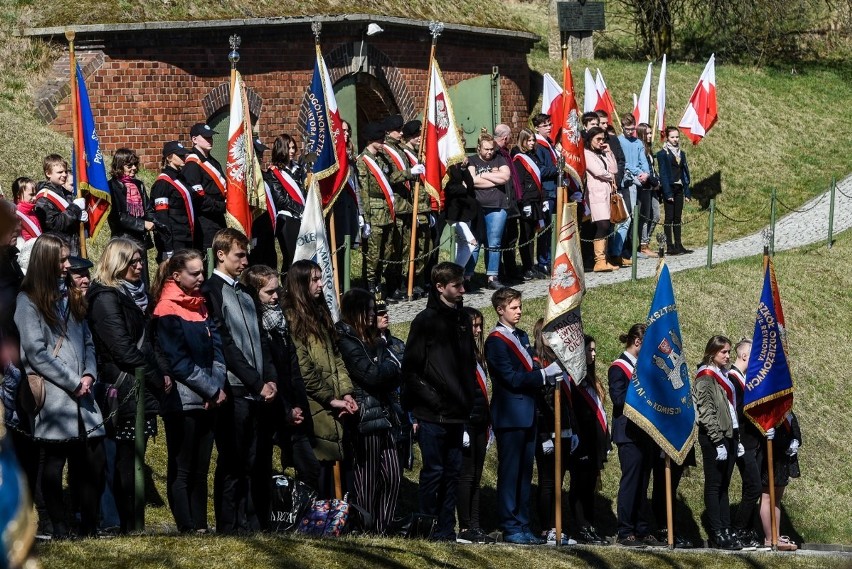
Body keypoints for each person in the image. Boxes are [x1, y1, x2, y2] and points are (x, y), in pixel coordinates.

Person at [15, 233, 106, 538]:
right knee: (54, 464)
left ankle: (90, 526)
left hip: (85, 393)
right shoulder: (27, 300)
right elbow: (35, 351)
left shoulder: (70, 294)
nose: (68, 265)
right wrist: (71, 381)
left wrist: (90, 374)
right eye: (63, 259)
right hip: (56, 395)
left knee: (93, 461)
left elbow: (88, 340)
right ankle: (60, 527)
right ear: (47, 261)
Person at [86, 237, 164, 533]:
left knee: (131, 456)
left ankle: (129, 519)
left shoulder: (133, 296)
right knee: (118, 458)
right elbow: (122, 347)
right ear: (118, 263)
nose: (140, 266)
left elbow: (148, 344)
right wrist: (156, 377)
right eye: (132, 261)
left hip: (137, 384)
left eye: (140, 260)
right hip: (120, 387)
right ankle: (118, 521)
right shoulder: (106, 298)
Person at [203, 228, 278, 533]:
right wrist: (253, 381)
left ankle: (251, 520)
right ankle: (228, 523)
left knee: (253, 459)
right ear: (220, 255)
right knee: (232, 460)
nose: (245, 260)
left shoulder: (246, 292)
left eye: (246, 254)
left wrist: (269, 378)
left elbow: (261, 338)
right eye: (239, 255)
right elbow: (226, 344)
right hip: (234, 387)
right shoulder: (212, 291)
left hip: (257, 390)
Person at [153, 249, 226, 533]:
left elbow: (217, 349)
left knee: (201, 468)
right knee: (183, 467)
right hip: (183, 401)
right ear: (176, 276)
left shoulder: (201, 305)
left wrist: (216, 387)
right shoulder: (166, 309)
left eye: (201, 271)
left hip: (209, 399)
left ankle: (201, 525)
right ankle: (186, 526)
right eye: (194, 273)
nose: (201, 277)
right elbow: (178, 361)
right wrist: (210, 390)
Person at [402, 261, 476, 541]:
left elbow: (468, 364)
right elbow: (410, 370)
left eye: (462, 284)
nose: (462, 290)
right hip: (433, 414)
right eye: (456, 286)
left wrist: (467, 399)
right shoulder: (425, 321)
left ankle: (447, 529)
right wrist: (433, 400)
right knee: (433, 473)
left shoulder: (463, 319)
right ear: (440, 287)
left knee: (452, 473)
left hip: (458, 413)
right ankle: (428, 528)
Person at [485, 287, 562, 545]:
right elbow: (510, 378)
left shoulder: (521, 336)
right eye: (514, 307)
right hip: (510, 414)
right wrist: (543, 375)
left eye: (519, 306)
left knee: (524, 474)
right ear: (500, 309)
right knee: (510, 473)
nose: (519, 311)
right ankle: (510, 525)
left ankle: (523, 523)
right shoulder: (495, 341)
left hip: (528, 413)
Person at [239, 264, 310, 525]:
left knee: (300, 464)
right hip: (266, 402)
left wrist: (295, 404)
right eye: (269, 293)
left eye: (277, 291)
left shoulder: (279, 321)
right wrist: (284, 406)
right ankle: (256, 519)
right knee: (256, 464)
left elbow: (291, 367)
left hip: (287, 402)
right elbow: (267, 367)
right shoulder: (258, 323)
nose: (276, 297)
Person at [283, 259, 358, 499]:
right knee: (318, 469)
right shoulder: (293, 318)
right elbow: (304, 368)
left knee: (336, 464)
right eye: (314, 280)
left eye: (321, 278)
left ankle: (336, 518)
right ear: (300, 284)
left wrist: (346, 393)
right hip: (314, 405)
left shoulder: (320, 313)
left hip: (334, 403)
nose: (321, 284)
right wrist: (330, 398)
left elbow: (337, 358)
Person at [336, 288, 402, 534]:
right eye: (371, 310)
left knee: (393, 474)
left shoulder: (372, 339)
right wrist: (386, 367)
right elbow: (371, 375)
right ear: (359, 311)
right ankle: (365, 528)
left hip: (383, 413)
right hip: (364, 415)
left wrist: (386, 368)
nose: (375, 315)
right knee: (367, 478)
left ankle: (383, 528)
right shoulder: (346, 339)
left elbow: (395, 369)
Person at [609, 323, 663, 547]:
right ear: (638, 342)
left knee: (643, 483)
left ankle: (642, 528)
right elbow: (618, 399)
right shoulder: (619, 367)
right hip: (628, 433)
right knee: (630, 482)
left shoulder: (645, 368)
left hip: (645, 433)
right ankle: (625, 530)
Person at [530, 317, 578, 545]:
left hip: (565, 430)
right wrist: (543, 435)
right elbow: (540, 404)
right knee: (548, 481)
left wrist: (573, 429)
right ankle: (547, 527)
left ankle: (557, 525)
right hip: (548, 432)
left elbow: (569, 401)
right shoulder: (536, 363)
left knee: (559, 482)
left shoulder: (561, 361)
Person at [693, 335, 742, 550]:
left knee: (724, 486)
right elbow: (706, 412)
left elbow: (729, 409)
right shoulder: (705, 376)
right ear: (712, 352)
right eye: (724, 352)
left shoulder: (724, 375)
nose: (728, 355)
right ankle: (717, 532)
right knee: (714, 485)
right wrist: (717, 441)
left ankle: (726, 528)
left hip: (729, 435)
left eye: (729, 351)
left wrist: (735, 438)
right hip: (714, 437)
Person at [456, 306, 494, 544]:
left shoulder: (478, 354)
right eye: (474, 326)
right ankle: (464, 526)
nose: (478, 331)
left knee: (477, 476)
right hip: (466, 421)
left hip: (480, 420)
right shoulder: (459, 354)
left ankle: (476, 525)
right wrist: (461, 426)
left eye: (480, 326)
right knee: (466, 476)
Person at [568, 335, 611, 546]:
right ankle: (580, 526)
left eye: (594, 350)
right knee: (580, 483)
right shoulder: (573, 380)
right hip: (580, 440)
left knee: (590, 484)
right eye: (589, 350)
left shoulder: (592, 379)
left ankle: (590, 524)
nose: (593, 354)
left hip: (594, 440)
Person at [383, 114, 427, 301]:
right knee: (393, 249)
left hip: (406, 205)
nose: (401, 133)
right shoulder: (385, 151)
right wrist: (410, 173)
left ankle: (404, 284)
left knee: (407, 248)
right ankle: (391, 287)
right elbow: (390, 177)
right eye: (398, 130)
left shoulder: (399, 149)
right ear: (388, 132)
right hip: (394, 206)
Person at [727, 338, 764, 549]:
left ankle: (748, 530)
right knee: (753, 487)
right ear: (744, 356)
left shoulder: (742, 378)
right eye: (754, 356)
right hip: (742, 441)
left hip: (753, 440)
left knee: (751, 486)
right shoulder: (732, 379)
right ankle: (738, 528)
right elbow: (737, 411)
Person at [358, 122, 401, 299]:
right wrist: (365, 219)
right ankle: (370, 287)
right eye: (379, 139)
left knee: (386, 252)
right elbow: (364, 191)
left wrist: (408, 173)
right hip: (374, 214)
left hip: (386, 212)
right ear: (370, 139)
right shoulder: (363, 161)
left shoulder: (381, 159)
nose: (382, 141)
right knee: (373, 254)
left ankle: (380, 284)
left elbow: (390, 178)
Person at [107, 148, 158, 286]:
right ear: (119, 167)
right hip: (123, 239)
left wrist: (154, 221)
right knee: (125, 277)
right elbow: (116, 216)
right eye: (129, 166)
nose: (134, 168)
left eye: (135, 164)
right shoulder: (111, 186)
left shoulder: (139, 185)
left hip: (140, 239)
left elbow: (148, 209)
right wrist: (142, 224)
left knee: (142, 279)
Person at [468, 132, 511, 290]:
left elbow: (505, 177)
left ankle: (492, 276)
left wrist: (484, 175)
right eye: (486, 149)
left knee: (494, 242)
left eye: (491, 149)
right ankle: (468, 275)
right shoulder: (472, 160)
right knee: (475, 242)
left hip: (497, 206)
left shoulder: (499, 159)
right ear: (479, 148)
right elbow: (473, 181)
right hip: (477, 207)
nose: (489, 152)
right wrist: (493, 177)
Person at [375, 300, 412, 471]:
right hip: (383, 411)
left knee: (400, 462)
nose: (385, 316)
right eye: (380, 314)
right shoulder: (367, 345)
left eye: (386, 312)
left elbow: (409, 378)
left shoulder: (397, 344)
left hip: (402, 410)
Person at [759, 412, 802, 551]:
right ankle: (769, 538)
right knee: (766, 497)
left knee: (777, 498)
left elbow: (795, 429)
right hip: (770, 457)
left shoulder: (788, 411)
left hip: (783, 459)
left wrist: (795, 440)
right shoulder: (769, 409)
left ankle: (776, 536)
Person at [182, 123, 227, 250]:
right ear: (194, 139)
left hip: (218, 219)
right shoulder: (192, 165)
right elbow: (198, 200)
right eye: (206, 137)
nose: (209, 140)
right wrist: (224, 206)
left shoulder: (214, 162)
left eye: (211, 137)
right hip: (204, 223)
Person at [266, 134, 306, 274]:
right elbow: (280, 200)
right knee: (291, 258)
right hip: (287, 219)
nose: (292, 151)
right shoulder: (273, 173)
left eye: (293, 147)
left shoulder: (300, 169)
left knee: (303, 258)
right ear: (280, 149)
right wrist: (301, 209)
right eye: (288, 148)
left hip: (303, 218)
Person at [34, 154, 86, 256]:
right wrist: (75, 208)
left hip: (73, 246)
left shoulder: (64, 191)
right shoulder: (44, 197)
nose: (64, 175)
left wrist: (80, 216)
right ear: (48, 173)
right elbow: (54, 224)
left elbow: (69, 216)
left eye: (65, 171)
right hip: (58, 250)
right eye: (60, 172)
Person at [511, 128, 546, 281]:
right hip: (527, 201)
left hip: (536, 200)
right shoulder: (519, 158)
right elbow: (520, 182)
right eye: (529, 140)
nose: (532, 143)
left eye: (533, 140)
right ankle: (526, 267)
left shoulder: (533, 156)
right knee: (525, 235)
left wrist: (543, 198)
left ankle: (531, 265)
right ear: (522, 141)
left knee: (532, 233)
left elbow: (540, 179)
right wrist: (524, 202)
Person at [150, 141, 193, 262]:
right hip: (175, 239)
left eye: (184, 154)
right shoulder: (162, 183)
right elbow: (162, 217)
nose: (183, 157)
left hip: (187, 236)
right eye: (179, 155)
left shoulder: (182, 177)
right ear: (169, 157)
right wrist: (167, 247)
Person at [583, 127, 618, 272]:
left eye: (603, 139)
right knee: (602, 225)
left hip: (606, 194)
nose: (601, 142)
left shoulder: (602, 153)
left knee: (607, 225)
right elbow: (598, 171)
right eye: (598, 139)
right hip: (595, 194)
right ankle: (599, 260)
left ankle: (604, 258)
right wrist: (611, 176)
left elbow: (614, 169)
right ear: (590, 139)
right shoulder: (587, 154)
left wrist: (609, 152)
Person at [531, 114, 560, 277]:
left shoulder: (549, 144)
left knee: (551, 228)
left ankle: (550, 259)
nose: (549, 127)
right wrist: (558, 169)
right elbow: (540, 170)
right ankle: (543, 261)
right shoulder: (539, 146)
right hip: (546, 192)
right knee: (545, 229)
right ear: (537, 128)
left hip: (555, 191)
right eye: (544, 125)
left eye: (549, 124)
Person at [656, 126, 693, 255]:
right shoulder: (662, 154)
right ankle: (670, 246)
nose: (675, 139)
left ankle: (679, 244)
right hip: (669, 188)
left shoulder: (681, 153)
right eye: (672, 137)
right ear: (667, 138)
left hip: (679, 187)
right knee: (669, 217)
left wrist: (687, 191)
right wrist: (667, 192)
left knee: (678, 217)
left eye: (677, 137)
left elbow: (684, 172)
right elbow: (663, 174)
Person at [494, 124, 522, 284]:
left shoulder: (505, 153)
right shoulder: (497, 155)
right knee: (501, 239)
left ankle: (511, 269)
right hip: (501, 202)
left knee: (511, 238)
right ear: (505, 138)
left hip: (511, 203)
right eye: (510, 137)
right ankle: (498, 271)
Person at [635, 123, 661, 258]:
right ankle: (643, 246)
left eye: (651, 133)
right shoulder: (639, 148)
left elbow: (651, 168)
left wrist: (657, 180)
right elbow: (643, 169)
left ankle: (645, 242)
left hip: (652, 187)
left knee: (656, 215)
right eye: (648, 133)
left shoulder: (648, 148)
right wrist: (653, 181)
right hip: (644, 187)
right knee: (645, 216)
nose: (650, 135)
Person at [12, 177, 41, 243]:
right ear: (19, 194)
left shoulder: (31, 211)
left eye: (35, 194)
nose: (35, 198)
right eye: (31, 195)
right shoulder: (15, 215)